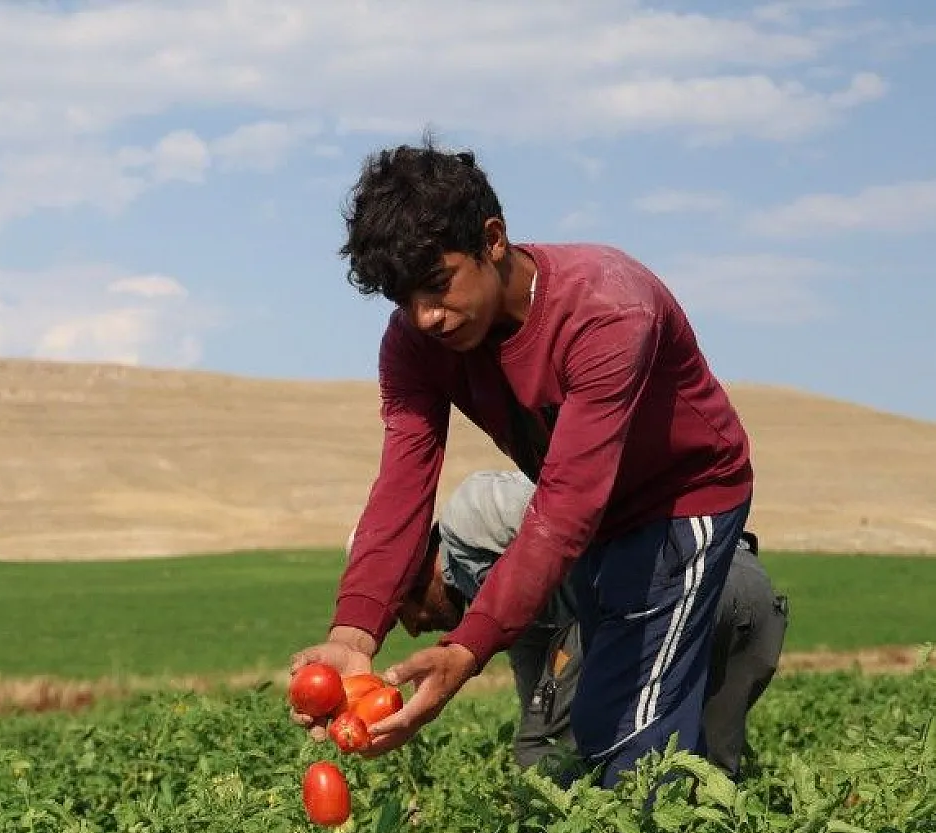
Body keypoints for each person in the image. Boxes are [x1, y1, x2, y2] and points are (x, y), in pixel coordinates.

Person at [290, 138, 756, 787]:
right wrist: (353, 632)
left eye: (438, 285)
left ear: (493, 239)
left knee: (634, 737)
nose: (426, 316)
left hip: (681, 502)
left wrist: (466, 649)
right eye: (404, 300)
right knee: (602, 717)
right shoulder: (417, 343)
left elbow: (566, 504)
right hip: (597, 525)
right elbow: (402, 483)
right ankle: (707, 813)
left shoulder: (605, 309)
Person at [391, 470, 789, 778]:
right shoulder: (502, 604)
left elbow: (578, 507)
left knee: (550, 760)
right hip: (748, 595)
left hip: (674, 580)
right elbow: (540, 699)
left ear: (414, 570)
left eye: (400, 612)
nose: (412, 629)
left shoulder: (470, 514)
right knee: (705, 780)